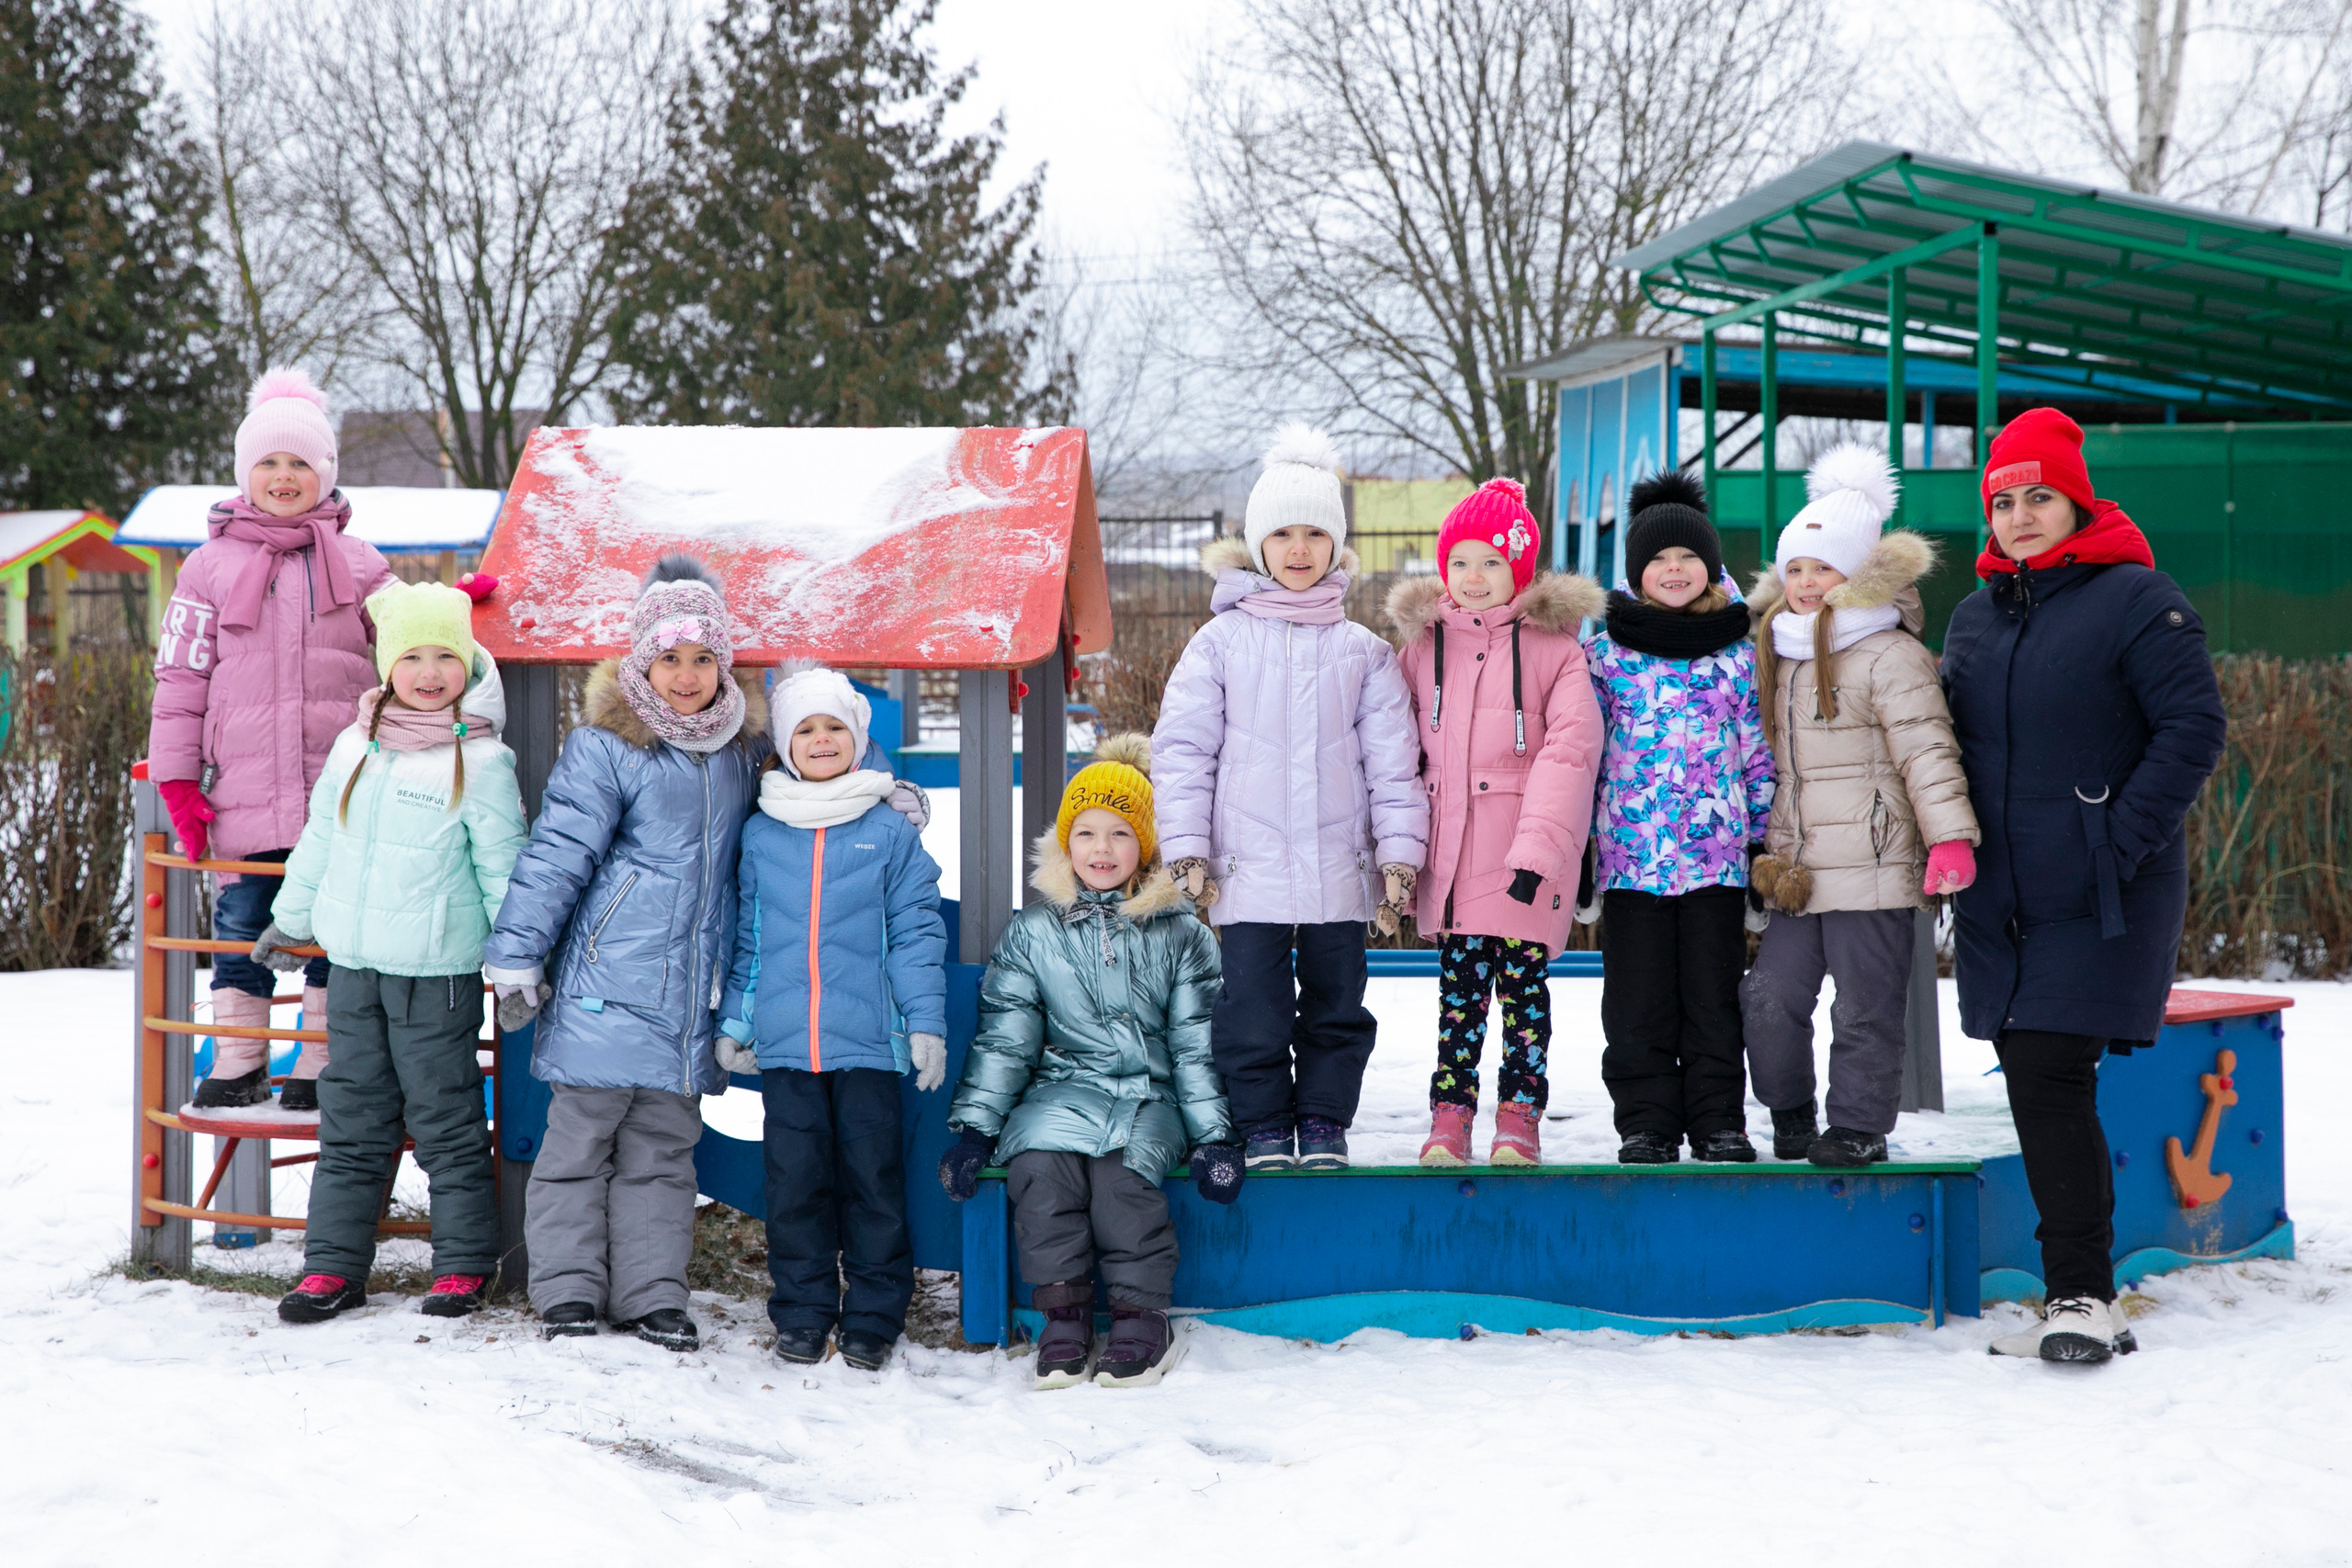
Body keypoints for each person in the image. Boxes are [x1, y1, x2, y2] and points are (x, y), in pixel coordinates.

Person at [1942, 408, 2224, 1363]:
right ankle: (2077, 1287)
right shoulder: (1976, 614)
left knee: (2046, 1072)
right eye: (2003, 501)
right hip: (2002, 895)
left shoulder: (2138, 598)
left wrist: (2117, 840)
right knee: (2033, 1075)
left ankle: (2079, 1296)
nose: (2019, 516)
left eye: (2038, 498)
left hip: (2106, 887)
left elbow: (2193, 727)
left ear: (2075, 501)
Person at [481, 556, 768, 1353]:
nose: (686, 676)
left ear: (724, 664)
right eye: (669, 659)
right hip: (607, 985)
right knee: (578, 1146)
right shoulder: (609, 747)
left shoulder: (745, 750)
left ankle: (652, 1296)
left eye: (702, 659)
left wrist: (880, 791)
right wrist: (516, 954)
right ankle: (568, 1289)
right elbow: (558, 854)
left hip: (686, 1001)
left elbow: (823, 769)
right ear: (641, 662)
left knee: (663, 1155)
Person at [1151, 423, 1428, 1171]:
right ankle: (1267, 1123)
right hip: (1246, 868)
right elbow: (1182, 752)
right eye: (1283, 534)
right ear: (1258, 544)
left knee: (1337, 1006)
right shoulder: (1221, 644)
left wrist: (1399, 858)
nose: (1299, 549)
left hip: (1342, 869)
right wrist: (1185, 847)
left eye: (1315, 534)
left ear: (1337, 546)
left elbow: (1394, 769)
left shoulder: (1363, 652)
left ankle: (1326, 1120)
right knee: (1253, 1011)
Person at [256, 581, 527, 1323]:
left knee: (445, 1117)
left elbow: (504, 868)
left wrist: (515, 962)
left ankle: (464, 1262)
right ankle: (332, 1267)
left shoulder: (481, 760)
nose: (431, 670)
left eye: (448, 654)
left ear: (469, 664)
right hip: (355, 968)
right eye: (414, 655)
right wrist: (290, 917)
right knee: (353, 1116)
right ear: (388, 663)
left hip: (435, 973)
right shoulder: (356, 744)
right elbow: (320, 838)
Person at [938, 736, 1240, 1388]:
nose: (1101, 851)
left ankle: (1140, 1316)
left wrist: (1215, 1135)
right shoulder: (1035, 932)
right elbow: (1007, 1039)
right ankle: (1065, 1316)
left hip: (1148, 1098)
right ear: (1065, 843)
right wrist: (976, 1129)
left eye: (1120, 835)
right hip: (1059, 1092)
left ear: (1148, 846)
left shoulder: (1180, 931)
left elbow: (1193, 1043)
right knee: (1041, 1172)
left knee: (1122, 1181)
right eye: (1087, 834)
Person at [147, 368, 399, 1111]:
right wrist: (179, 778)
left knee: (329, 928)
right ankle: (238, 1060)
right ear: (243, 473)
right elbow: (182, 677)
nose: (284, 477)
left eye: (300, 463)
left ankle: (317, 1063)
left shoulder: (359, 563)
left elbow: (411, 640)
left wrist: (452, 613)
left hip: (339, 791)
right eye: (269, 463)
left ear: (325, 473)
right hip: (248, 792)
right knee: (242, 924)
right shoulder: (208, 569)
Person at [1740, 446, 1980, 1167]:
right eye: (1796, 568)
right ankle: (1789, 1112)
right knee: (1767, 998)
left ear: (1860, 573)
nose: (1808, 583)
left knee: (1864, 1008)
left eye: (1825, 568)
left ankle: (1858, 1125)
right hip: (1799, 866)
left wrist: (1950, 839)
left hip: (1874, 863)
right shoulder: (1777, 647)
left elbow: (1928, 751)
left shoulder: (1888, 653)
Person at [717, 665, 947, 1373]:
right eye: (806, 730)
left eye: (834, 728)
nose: (821, 740)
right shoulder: (762, 833)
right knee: (796, 1184)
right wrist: (737, 1023)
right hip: (789, 1048)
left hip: (869, 1047)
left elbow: (915, 932)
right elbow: (750, 940)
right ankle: (804, 1308)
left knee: (873, 1183)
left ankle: (875, 1314)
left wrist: (925, 1022)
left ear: (857, 738)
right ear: (786, 745)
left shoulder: (888, 831)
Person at [1385, 479, 1605, 1166]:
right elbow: (1397, 744)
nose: (1473, 578)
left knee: (1524, 999)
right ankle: (1449, 1116)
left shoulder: (1555, 651)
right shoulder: (1424, 648)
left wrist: (1538, 848)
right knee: (1458, 1000)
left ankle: (1520, 1115)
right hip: (1452, 865)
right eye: (1460, 562)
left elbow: (1569, 752)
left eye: (1490, 562)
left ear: (1518, 569)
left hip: (1521, 863)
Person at [1583, 470, 1775, 1163]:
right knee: (1636, 1006)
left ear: (1711, 566)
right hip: (1631, 864)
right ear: (1636, 573)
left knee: (1713, 999)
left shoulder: (1737, 654)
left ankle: (1720, 1118)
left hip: (1716, 865)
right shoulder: (1605, 655)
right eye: (1658, 559)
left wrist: (1761, 846)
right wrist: (1578, 852)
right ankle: (1647, 1121)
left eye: (1687, 557)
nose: (1673, 569)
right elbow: (1582, 756)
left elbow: (1757, 756)